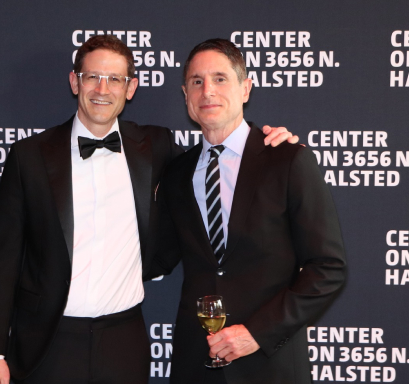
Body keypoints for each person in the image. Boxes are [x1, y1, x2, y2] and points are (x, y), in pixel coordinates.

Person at [0, 35, 297, 384]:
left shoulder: (155, 146)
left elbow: (219, 155)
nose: (103, 89)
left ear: (130, 88)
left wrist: (268, 142)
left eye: (115, 79)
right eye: (92, 77)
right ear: (75, 82)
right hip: (46, 341)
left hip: (124, 340)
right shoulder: (29, 156)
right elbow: (3, 261)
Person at [151, 38, 347, 384]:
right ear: (186, 96)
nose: (207, 90)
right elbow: (157, 256)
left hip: (270, 364)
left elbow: (327, 268)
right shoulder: (176, 173)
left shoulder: (287, 159)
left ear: (246, 88)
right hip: (195, 364)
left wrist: (256, 333)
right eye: (197, 81)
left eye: (220, 78)